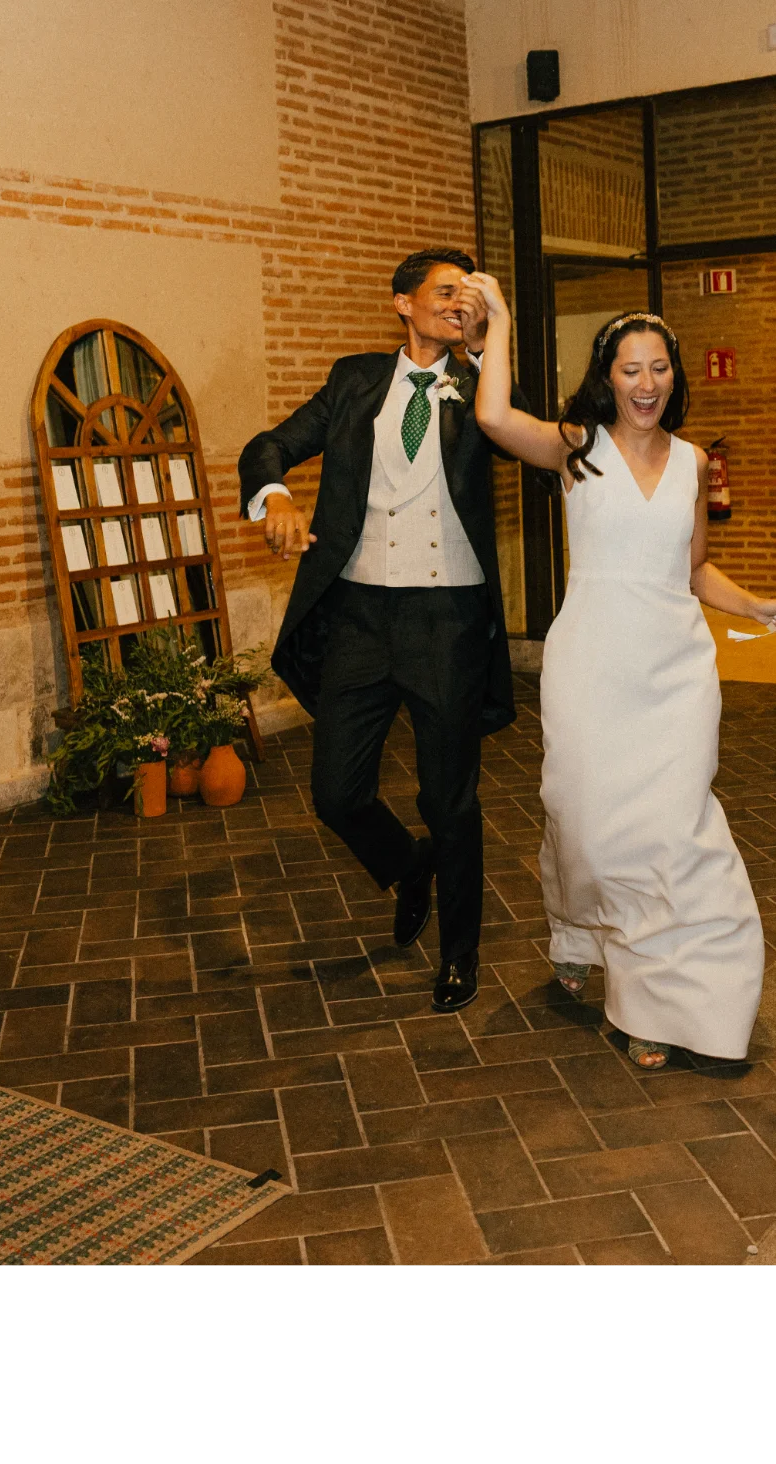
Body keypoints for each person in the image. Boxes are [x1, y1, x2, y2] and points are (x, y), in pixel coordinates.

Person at [461, 275, 776, 1074]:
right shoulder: (576, 448)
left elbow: (694, 569)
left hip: (675, 672)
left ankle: (660, 1003)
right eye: (631, 369)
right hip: (591, 664)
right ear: (607, 377)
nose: (646, 384)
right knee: (587, 824)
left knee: (672, 836)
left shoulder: (694, 461)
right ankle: (577, 929)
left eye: (659, 368)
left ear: (673, 376)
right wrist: (503, 319)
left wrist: (758, 606)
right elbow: (492, 417)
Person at [238, 249, 526, 1015]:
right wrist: (274, 496)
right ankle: (408, 863)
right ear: (403, 302)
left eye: (469, 294)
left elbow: (517, 435)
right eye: (444, 291)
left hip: (447, 620)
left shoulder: (482, 385)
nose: (457, 303)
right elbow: (269, 445)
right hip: (360, 617)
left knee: (449, 800)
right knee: (336, 793)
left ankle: (459, 954)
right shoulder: (354, 380)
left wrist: (487, 346)